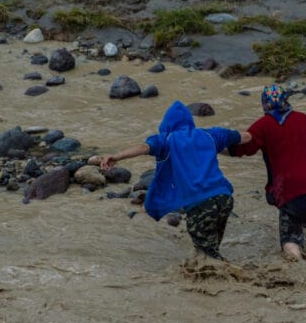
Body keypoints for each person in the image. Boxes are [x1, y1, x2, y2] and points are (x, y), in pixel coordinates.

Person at [100, 100, 251, 261]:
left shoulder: (166, 140)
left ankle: (237, 278)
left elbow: (143, 148)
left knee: (206, 256)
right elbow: (246, 136)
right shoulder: (210, 135)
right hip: (224, 198)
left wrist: (116, 156)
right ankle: (220, 279)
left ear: (167, 123)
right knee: (211, 248)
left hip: (200, 204)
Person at [229, 84, 306, 261]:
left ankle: (301, 269)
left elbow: (241, 148)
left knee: (289, 236)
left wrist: (211, 146)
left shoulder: (263, 125)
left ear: (264, 104)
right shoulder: (303, 118)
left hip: (291, 186)